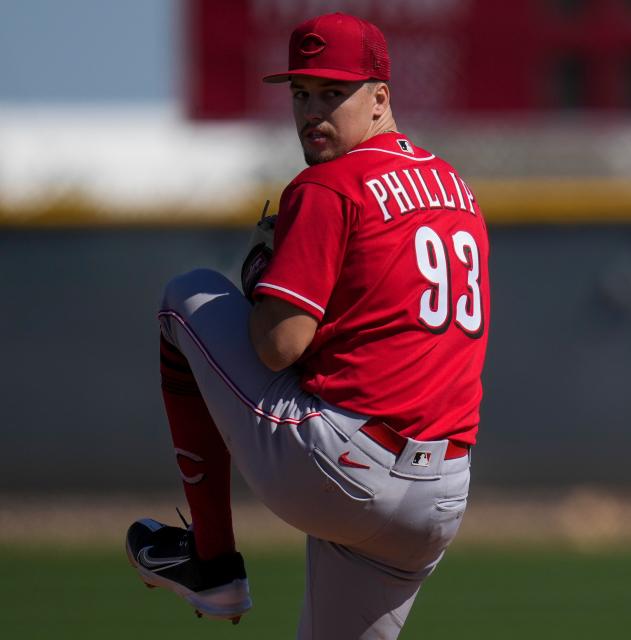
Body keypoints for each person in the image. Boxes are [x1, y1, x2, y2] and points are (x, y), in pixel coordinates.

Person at [124, 12, 490, 639]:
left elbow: (276, 347)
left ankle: (211, 561)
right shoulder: (454, 185)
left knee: (184, 297)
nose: (311, 111)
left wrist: (264, 284)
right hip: (442, 494)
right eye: (300, 92)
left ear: (380, 98)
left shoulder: (329, 185)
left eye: (331, 92)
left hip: (347, 469)